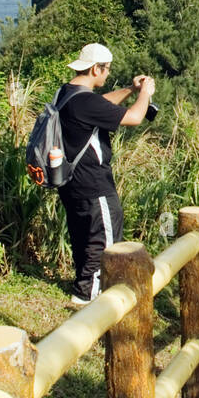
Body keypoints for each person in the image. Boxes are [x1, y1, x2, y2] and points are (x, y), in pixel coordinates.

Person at [56, 42, 155, 309]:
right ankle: (88, 300)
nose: (108, 74)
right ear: (96, 68)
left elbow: (98, 105)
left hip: (71, 182)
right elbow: (134, 117)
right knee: (104, 244)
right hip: (94, 185)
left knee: (83, 238)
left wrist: (130, 90)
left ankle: (85, 286)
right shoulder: (85, 101)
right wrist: (144, 94)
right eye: (107, 69)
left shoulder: (67, 93)